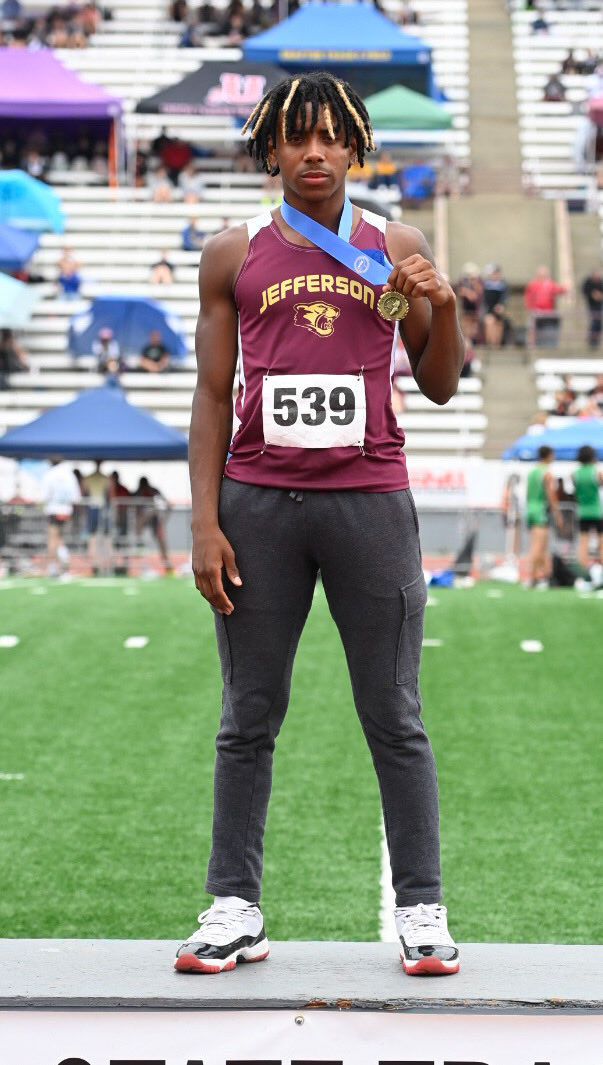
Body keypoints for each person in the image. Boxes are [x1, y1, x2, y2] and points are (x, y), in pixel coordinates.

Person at [177, 71, 465, 978]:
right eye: (295, 136)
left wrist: (445, 305)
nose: (313, 152)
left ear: (354, 147)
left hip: (370, 502)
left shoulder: (396, 244)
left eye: (329, 137)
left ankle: (421, 907)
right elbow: (211, 395)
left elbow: (439, 383)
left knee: (394, 713)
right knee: (247, 715)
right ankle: (233, 906)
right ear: (270, 148)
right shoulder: (231, 251)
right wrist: (203, 523)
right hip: (257, 505)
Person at [525, 445, 561, 587]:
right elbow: (550, 495)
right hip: (541, 510)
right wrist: (557, 514)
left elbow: (528, 492)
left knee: (540, 546)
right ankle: (532, 579)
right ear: (549, 455)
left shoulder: (532, 471)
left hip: (531, 509)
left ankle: (544, 576)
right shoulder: (546, 473)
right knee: (538, 547)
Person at [41, 457, 80, 577]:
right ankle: (64, 564)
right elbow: (76, 496)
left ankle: (53, 566)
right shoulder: (69, 474)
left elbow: (44, 494)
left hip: (53, 509)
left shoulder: (50, 474)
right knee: (59, 537)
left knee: (52, 538)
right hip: (66, 510)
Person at [572, 445, 602, 570]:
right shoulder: (596, 472)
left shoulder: (576, 473)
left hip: (582, 511)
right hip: (597, 511)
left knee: (583, 542)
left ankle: (582, 572)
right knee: (601, 540)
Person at [133, 476, 172, 571]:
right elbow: (131, 502)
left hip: (154, 518)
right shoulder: (138, 492)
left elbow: (166, 504)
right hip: (143, 517)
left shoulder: (154, 490)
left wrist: (164, 519)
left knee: (161, 539)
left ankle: (167, 563)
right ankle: (139, 543)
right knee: (139, 521)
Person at [524, 265, 566, 347]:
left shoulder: (550, 284)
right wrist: (530, 308)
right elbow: (527, 298)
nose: (542, 276)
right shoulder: (532, 284)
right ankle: (530, 345)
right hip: (536, 310)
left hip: (548, 310)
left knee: (555, 319)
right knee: (531, 325)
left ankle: (551, 344)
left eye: (544, 274)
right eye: (541, 274)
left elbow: (561, 290)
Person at [83, 459, 109, 572]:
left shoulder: (88, 477)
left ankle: (94, 561)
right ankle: (105, 561)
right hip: (102, 506)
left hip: (92, 506)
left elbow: (83, 490)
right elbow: (110, 492)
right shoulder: (105, 478)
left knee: (93, 534)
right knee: (105, 534)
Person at [482, 264, 508, 347]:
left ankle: (497, 345)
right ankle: (490, 344)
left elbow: (505, 297)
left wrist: (501, 305)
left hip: (499, 310)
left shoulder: (503, 285)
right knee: (490, 324)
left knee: (498, 326)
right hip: (489, 309)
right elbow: (485, 299)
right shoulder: (487, 285)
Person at [581, 267, 603, 349]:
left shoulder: (600, 282)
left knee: (598, 323)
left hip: (599, 304)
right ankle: (592, 340)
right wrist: (592, 294)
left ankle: (595, 340)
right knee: (595, 321)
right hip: (591, 304)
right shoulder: (588, 282)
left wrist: (600, 295)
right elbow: (584, 290)